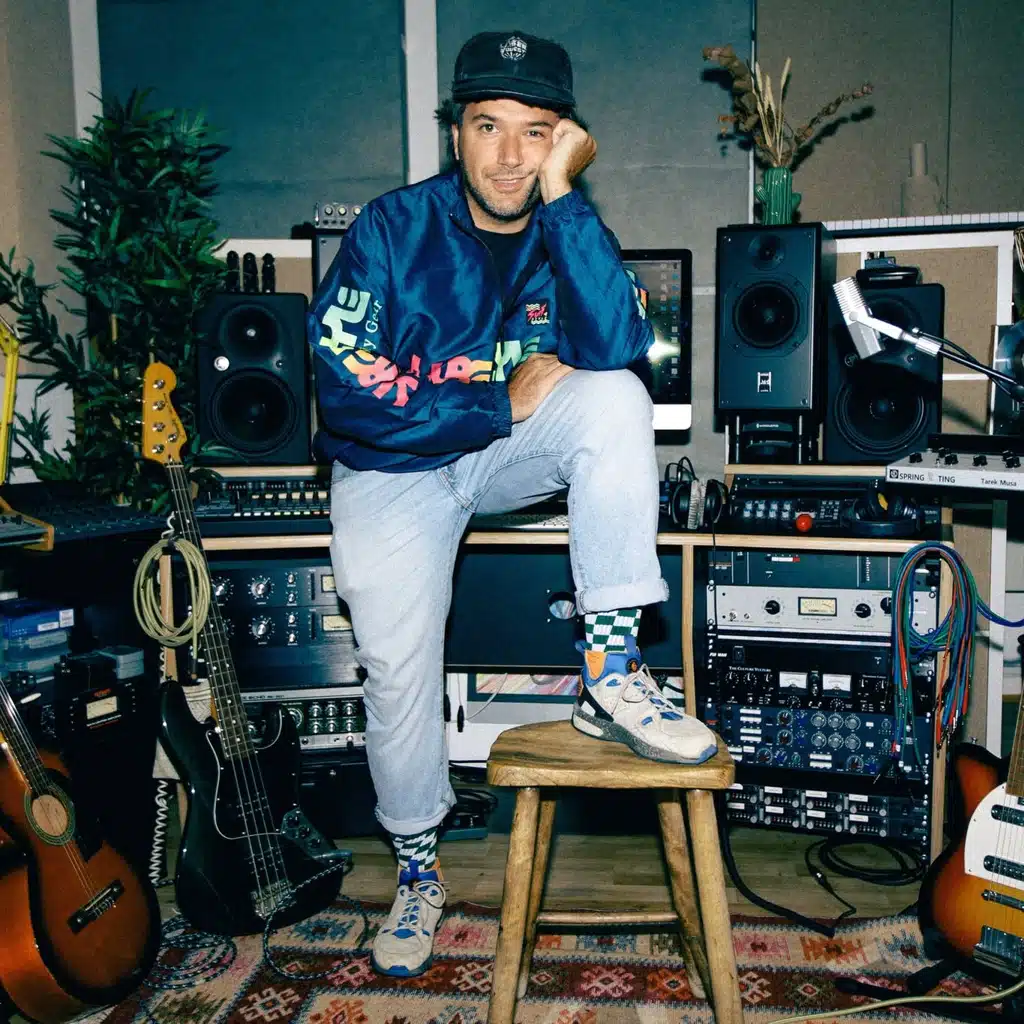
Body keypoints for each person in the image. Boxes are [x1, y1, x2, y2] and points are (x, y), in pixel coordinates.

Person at [307, 29, 717, 978]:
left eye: (535, 133)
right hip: (391, 469)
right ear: (455, 132)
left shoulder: (564, 222)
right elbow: (346, 390)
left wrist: (566, 198)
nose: (507, 156)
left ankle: (610, 675)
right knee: (396, 673)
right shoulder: (390, 228)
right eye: (487, 126)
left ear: (563, 140)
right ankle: (419, 874)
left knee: (614, 399)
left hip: (494, 458)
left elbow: (619, 348)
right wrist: (495, 400)